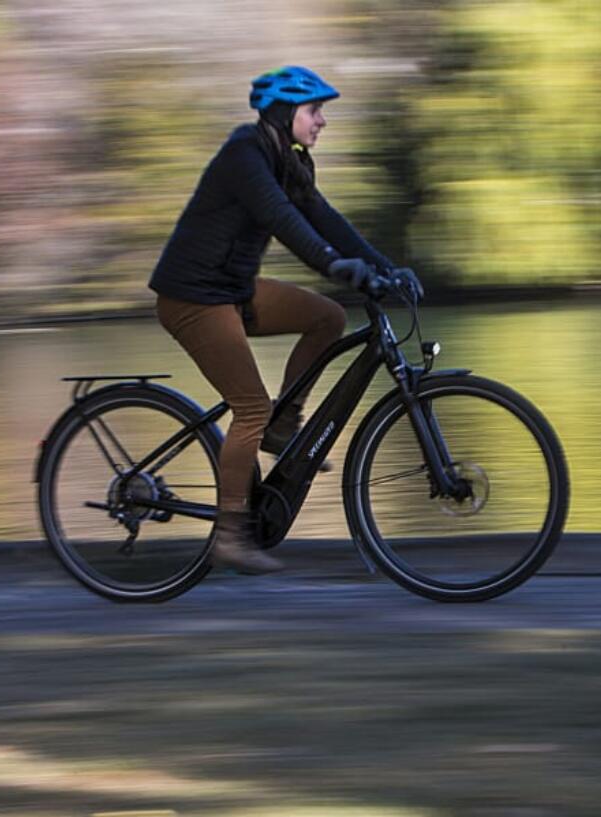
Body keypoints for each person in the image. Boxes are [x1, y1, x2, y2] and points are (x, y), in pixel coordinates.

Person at [148, 66, 420, 574]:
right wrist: (332, 263)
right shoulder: (244, 155)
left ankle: (283, 425)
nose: (322, 121)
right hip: (194, 297)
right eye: (314, 111)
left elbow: (323, 218)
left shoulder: (289, 161)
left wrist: (385, 267)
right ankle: (230, 535)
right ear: (283, 113)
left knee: (327, 316)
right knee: (248, 408)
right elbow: (282, 219)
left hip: (233, 289)